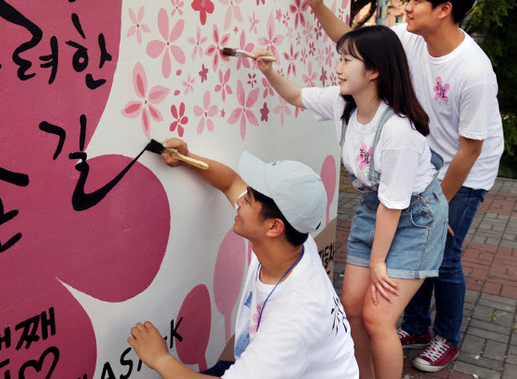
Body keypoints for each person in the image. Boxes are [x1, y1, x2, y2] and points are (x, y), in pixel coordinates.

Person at [306, 0, 504, 372]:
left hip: (463, 170)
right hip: (417, 159)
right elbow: (357, 44)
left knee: (444, 253)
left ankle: (446, 335)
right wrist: (318, 7)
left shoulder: (473, 70)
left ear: (444, 9)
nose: (406, 7)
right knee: (411, 260)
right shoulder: (409, 38)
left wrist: (439, 205)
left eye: (416, 0)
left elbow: (470, 148)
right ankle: (413, 325)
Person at [254, 25, 448, 379]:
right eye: (340, 58)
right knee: (352, 309)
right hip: (374, 211)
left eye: (347, 60)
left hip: (413, 218)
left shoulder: (397, 131)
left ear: (373, 71)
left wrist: (378, 263)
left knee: (378, 317)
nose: (338, 68)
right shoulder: (343, 102)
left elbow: (394, 206)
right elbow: (297, 95)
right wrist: (269, 72)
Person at [127, 139, 359, 379]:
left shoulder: (292, 322)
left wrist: (160, 359)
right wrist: (186, 159)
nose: (239, 200)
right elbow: (230, 182)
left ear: (274, 227)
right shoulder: (294, 239)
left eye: (248, 199)